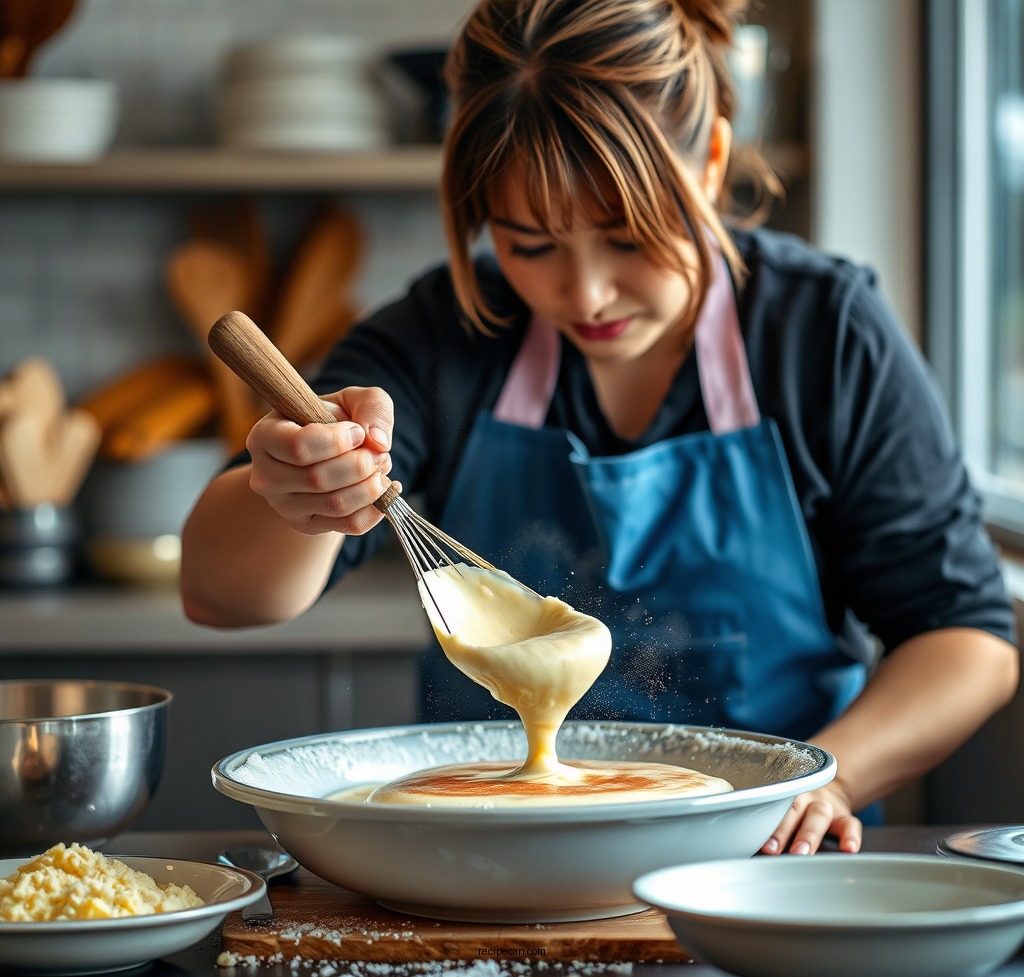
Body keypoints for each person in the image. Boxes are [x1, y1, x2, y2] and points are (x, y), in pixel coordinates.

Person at [181, 0, 1018, 855]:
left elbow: (967, 640)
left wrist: (831, 776)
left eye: (627, 238)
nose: (584, 294)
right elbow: (221, 595)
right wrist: (295, 493)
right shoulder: (447, 336)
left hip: (761, 863)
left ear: (713, 163)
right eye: (530, 245)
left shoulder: (822, 335)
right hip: (481, 867)